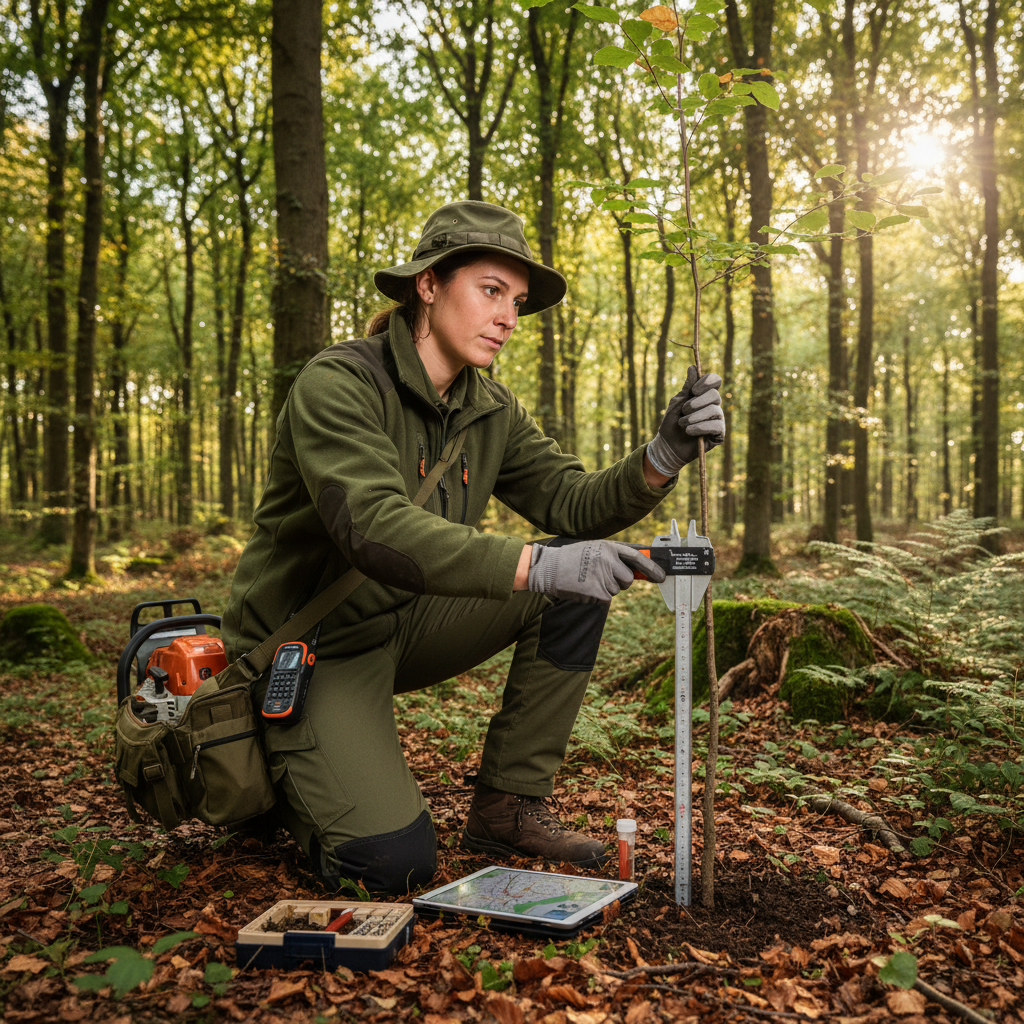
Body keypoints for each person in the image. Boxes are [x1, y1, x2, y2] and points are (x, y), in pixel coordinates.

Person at [221, 200, 725, 896]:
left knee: (571, 583)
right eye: (492, 291)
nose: (509, 318)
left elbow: (572, 503)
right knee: (391, 864)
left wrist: (662, 454)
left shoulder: (489, 407)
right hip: (313, 650)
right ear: (428, 284)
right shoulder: (339, 384)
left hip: (407, 622)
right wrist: (538, 562)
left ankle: (505, 810)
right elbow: (373, 528)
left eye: (517, 302)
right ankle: (287, 776)